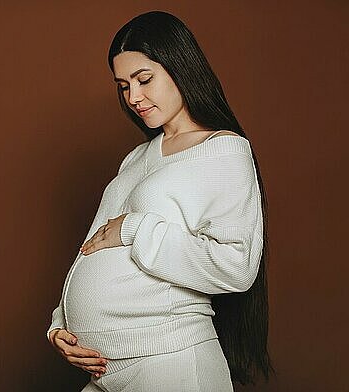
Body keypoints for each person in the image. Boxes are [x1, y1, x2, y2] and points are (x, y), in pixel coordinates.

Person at [46, 11, 275, 392]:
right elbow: (93, 244)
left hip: (170, 364)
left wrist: (135, 229)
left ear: (180, 67)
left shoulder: (223, 151)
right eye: (123, 86)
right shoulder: (137, 158)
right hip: (104, 371)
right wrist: (60, 325)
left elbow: (238, 265)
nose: (134, 97)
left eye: (144, 79)